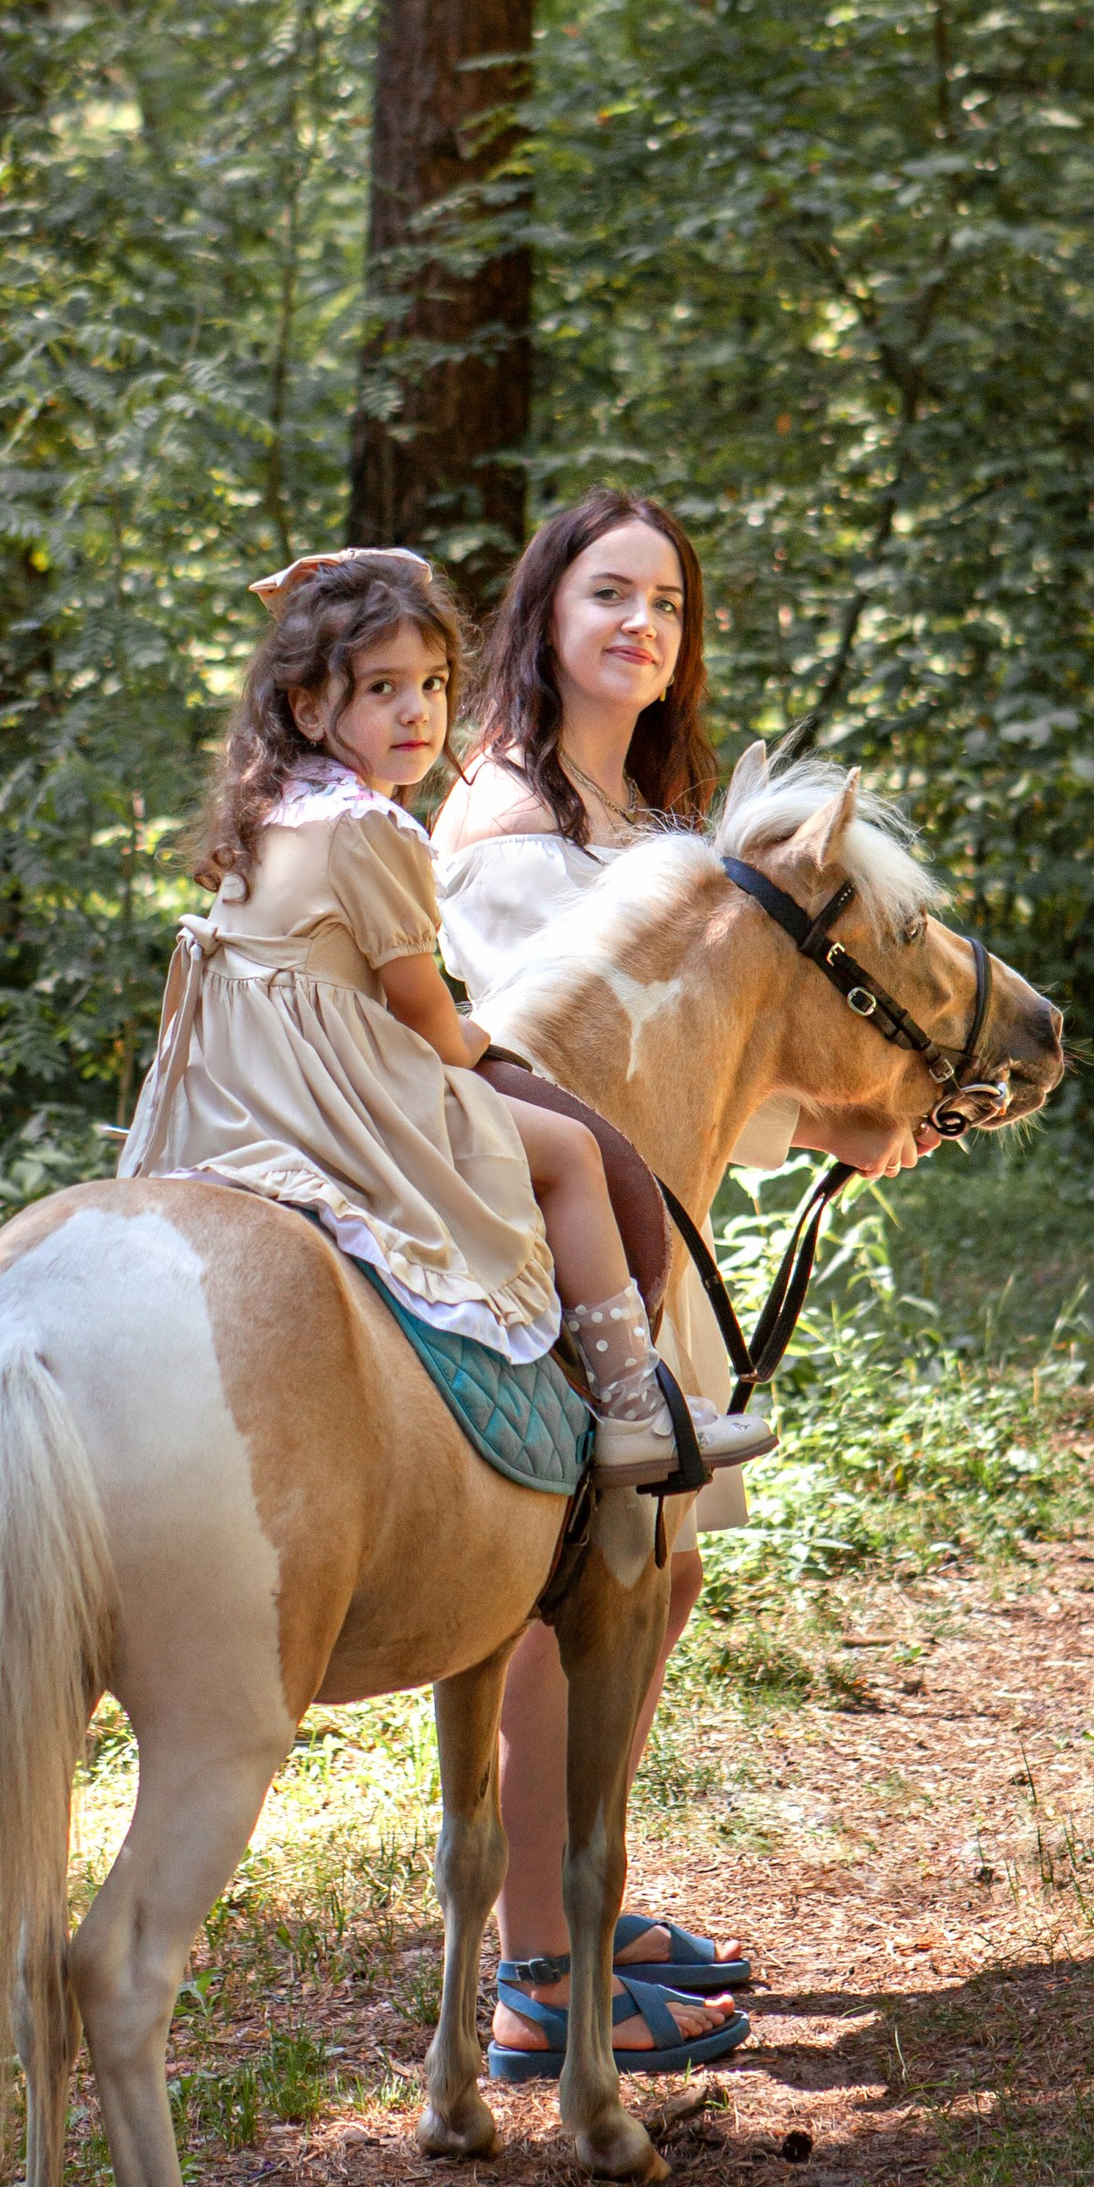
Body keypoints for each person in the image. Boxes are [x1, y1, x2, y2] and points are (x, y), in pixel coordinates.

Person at [117, 544, 756, 1490]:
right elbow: (424, 1017)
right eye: (380, 689)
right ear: (308, 708)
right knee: (570, 1155)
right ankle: (630, 1403)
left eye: (432, 684)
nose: (416, 711)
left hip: (236, 1088)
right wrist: (481, 1043)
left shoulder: (277, 807)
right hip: (333, 1089)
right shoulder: (372, 828)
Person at [433, 490, 767, 2070]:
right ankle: (539, 1977)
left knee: (662, 1581)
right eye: (611, 595)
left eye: (670, 607)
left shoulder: (640, 820)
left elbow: (694, 1071)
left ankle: (592, 1891)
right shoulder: (508, 830)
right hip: (555, 1262)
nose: (644, 627)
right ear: (544, 617)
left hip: (653, 1239)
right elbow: (548, 1074)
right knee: (571, 1606)